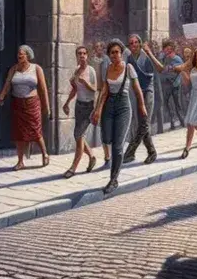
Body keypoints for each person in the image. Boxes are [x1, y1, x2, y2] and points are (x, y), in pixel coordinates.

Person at [91, 40, 146, 193]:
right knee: (106, 138)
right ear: (109, 55)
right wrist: (98, 110)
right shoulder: (107, 68)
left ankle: (113, 179)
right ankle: (113, 170)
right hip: (109, 105)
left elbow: (137, 89)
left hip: (123, 107)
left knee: (117, 145)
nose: (115, 55)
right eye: (112, 53)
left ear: (121, 53)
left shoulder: (128, 68)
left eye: (117, 52)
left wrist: (141, 106)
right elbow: (104, 91)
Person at [0, 44, 51, 170]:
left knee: (35, 130)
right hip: (18, 104)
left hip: (32, 103)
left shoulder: (36, 68)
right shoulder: (14, 69)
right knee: (18, 134)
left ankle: (45, 154)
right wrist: (1, 96)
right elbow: (7, 84)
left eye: (22, 54)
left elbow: (43, 89)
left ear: (28, 55)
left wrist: (46, 107)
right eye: (18, 54)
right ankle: (20, 161)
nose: (19, 56)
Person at [122, 35, 162, 165]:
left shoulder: (146, 56)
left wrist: (150, 52)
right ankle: (151, 152)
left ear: (139, 43)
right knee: (143, 124)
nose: (133, 45)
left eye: (135, 42)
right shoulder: (129, 58)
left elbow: (160, 68)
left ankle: (130, 152)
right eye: (131, 43)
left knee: (144, 123)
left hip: (148, 92)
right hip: (137, 93)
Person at [62, 45, 98, 178]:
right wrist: (66, 103)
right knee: (80, 136)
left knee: (78, 135)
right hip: (79, 106)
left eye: (84, 53)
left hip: (89, 107)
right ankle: (92, 156)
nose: (82, 55)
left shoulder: (91, 70)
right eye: (79, 53)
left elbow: (95, 89)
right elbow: (75, 90)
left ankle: (73, 168)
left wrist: (86, 82)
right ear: (76, 56)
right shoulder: (76, 71)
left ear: (87, 56)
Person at [158, 40, 187, 133]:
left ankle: (182, 121)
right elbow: (161, 70)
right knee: (167, 103)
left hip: (175, 84)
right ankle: (172, 122)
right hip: (166, 85)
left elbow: (180, 70)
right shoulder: (164, 59)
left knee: (177, 103)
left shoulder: (177, 58)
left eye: (170, 48)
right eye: (166, 48)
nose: (168, 50)